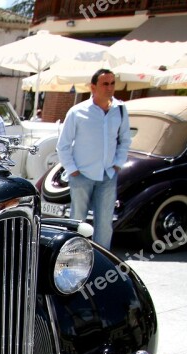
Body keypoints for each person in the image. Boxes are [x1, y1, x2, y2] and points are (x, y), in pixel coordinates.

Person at [56, 68, 131, 249]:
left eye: (112, 83)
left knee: (104, 223)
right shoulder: (77, 112)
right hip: (82, 174)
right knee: (77, 221)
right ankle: (75, 256)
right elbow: (63, 144)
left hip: (107, 174)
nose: (110, 87)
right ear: (93, 87)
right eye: (105, 83)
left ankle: (101, 261)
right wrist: (72, 169)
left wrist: (118, 165)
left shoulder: (120, 110)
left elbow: (125, 140)